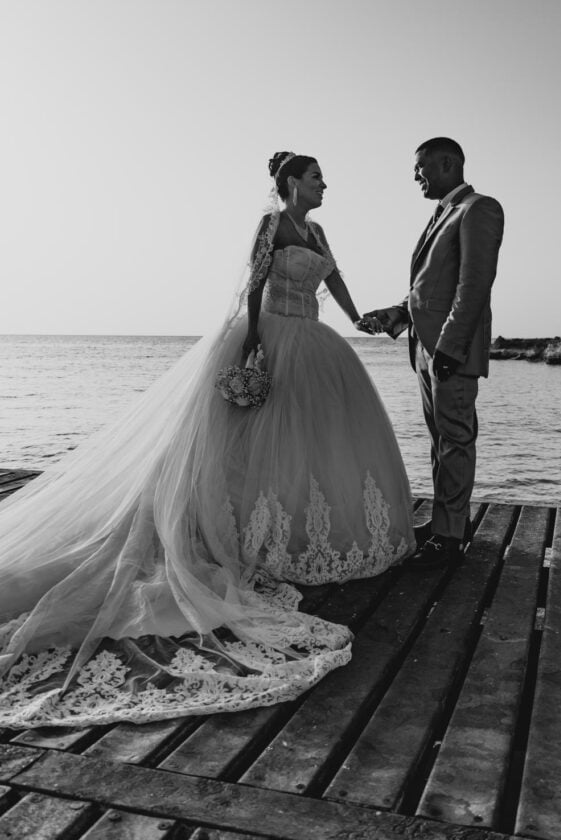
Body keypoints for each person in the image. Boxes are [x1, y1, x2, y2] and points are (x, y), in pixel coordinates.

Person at [0, 151, 415, 729]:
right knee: (256, 446)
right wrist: (251, 345)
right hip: (272, 335)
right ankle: (249, 532)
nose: (325, 184)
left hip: (317, 344)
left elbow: (336, 279)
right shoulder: (272, 225)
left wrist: (359, 318)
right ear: (292, 182)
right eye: (316, 176)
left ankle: (299, 530)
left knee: (314, 448)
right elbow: (255, 284)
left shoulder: (318, 230)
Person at [364, 137, 504, 570]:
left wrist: (449, 346)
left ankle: (450, 536)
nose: (415, 176)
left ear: (447, 162)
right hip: (424, 347)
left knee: (456, 439)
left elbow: (473, 285)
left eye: (420, 167)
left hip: (449, 348)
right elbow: (430, 289)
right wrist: (397, 313)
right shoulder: (440, 214)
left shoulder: (479, 208)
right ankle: (445, 525)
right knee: (440, 439)